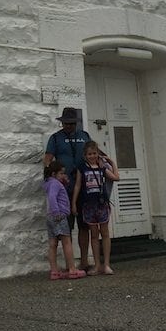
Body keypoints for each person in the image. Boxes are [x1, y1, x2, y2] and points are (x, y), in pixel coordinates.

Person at [43, 107, 92, 270]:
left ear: (75, 123)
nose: (68, 126)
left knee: (84, 225)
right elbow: (48, 158)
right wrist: (51, 176)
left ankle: (84, 261)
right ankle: (70, 264)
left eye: (71, 123)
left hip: (84, 185)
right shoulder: (55, 138)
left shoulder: (84, 136)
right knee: (66, 226)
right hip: (65, 188)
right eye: (65, 123)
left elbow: (93, 154)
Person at [72, 140, 120, 275]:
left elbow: (116, 178)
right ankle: (97, 265)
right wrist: (74, 203)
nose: (92, 156)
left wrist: (112, 163)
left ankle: (107, 264)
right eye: (89, 154)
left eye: (94, 153)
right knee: (93, 235)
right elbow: (78, 185)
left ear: (97, 154)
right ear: (85, 155)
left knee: (105, 233)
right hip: (89, 204)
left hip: (101, 203)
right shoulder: (82, 167)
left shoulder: (102, 167)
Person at [42, 161, 87, 280]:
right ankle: (72, 269)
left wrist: (64, 183)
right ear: (53, 174)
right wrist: (57, 212)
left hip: (50, 216)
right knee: (67, 242)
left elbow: (54, 194)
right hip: (59, 215)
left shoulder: (49, 183)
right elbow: (53, 197)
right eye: (61, 173)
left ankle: (54, 271)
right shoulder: (55, 184)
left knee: (52, 244)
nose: (64, 175)